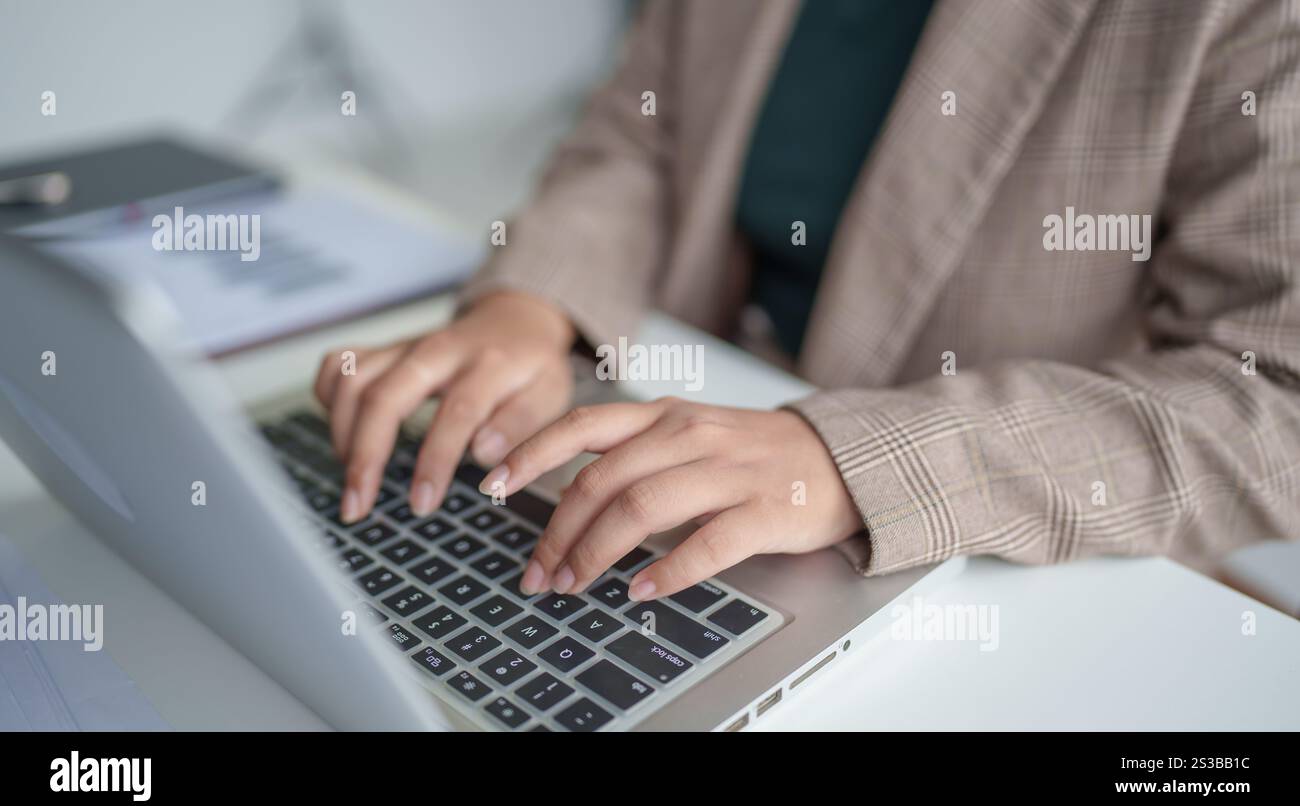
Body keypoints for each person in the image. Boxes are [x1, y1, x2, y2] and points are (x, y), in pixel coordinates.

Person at [314, 0, 1300, 604]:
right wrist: (533, 305)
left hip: (1008, 551)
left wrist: (851, 457)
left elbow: (1276, 399)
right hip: (692, 434)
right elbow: (639, 139)